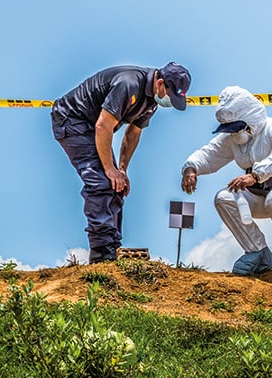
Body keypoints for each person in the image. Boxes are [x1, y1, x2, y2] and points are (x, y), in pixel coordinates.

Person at [51, 62, 191, 263]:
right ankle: (101, 252)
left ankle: (113, 246)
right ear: (160, 83)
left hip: (95, 126)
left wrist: (122, 170)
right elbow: (103, 126)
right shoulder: (129, 84)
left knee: (117, 185)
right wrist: (109, 168)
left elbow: (133, 133)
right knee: (101, 182)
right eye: (170, 95)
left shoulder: (152, 101)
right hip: (72, 120)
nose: (169, 101)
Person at [180, 86, 272, 276]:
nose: (234, 132)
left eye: (236, 127)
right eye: (230, 128)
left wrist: (255, 175)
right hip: (264, 194)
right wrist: (191, 168)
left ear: (250, 117)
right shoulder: (232, 139)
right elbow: (209, 154)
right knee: (224, 198)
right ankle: (257, 253)